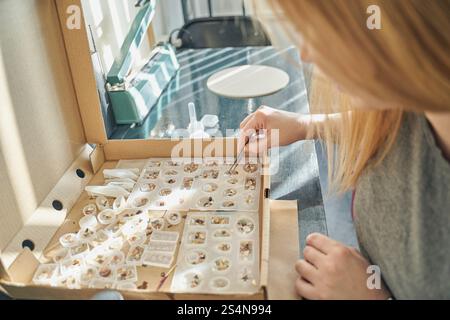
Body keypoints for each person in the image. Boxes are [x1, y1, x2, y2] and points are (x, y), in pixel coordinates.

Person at [239, 0, 450, 299]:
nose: (307, 53)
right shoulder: (420, 96)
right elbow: (394, 129)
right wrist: (304, 124)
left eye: (324, 31)